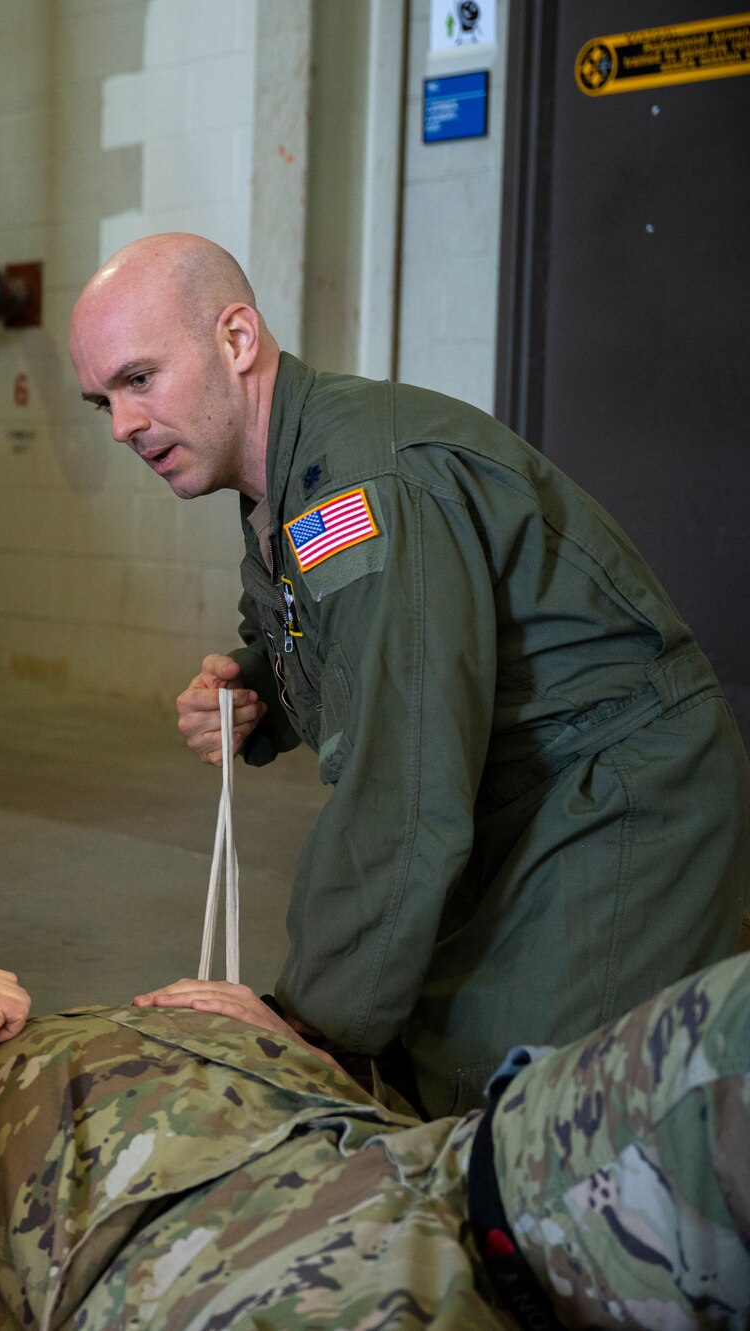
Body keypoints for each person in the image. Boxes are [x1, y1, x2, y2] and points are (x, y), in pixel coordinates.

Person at [66, 231, 750, 1115]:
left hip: (623, 792)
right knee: (431, 1060)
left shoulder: (361, 489)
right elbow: (348, 636)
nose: (123, 425)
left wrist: (303, 1024)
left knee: (521, 1112)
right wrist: (259, 689)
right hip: (527, 786)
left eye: (139, 379)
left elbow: (406, 782)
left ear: (235, 341)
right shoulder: (289, 479)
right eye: (102, 401)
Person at [0, 958, 750, 1330]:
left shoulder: (46, 1032)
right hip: (216, 1269)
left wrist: (297, 1047)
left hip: (434, 1169)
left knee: (725, 1027)